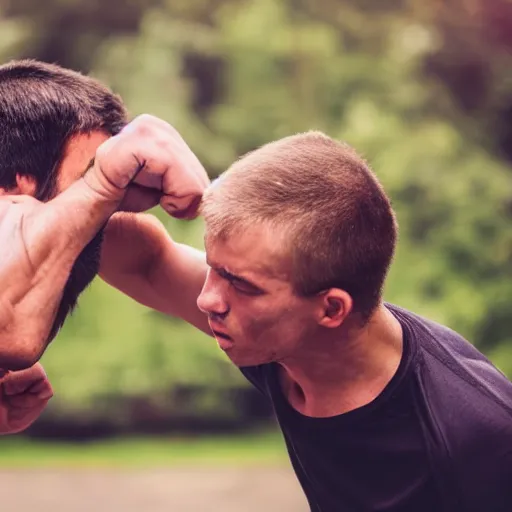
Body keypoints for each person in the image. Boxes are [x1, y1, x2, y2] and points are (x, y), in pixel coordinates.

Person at [1, 59, 511, 511]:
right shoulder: (285, 334)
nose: (206, 298)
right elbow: (145, 263)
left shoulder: (478, 435)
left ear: (331, 309)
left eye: (240, 284)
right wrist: (112, 183)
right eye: (214, 268)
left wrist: (97, 186)